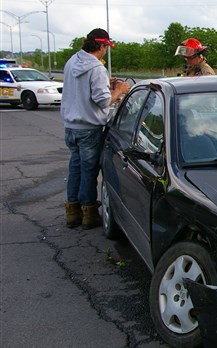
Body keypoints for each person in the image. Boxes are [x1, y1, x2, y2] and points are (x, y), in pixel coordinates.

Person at [61, 28, 130, 229]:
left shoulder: (72, 61)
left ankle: (72, 212)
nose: (105, 52)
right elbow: (103, 102)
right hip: (89, 128)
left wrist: (105, 83)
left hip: (71, 126)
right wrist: (119, 90)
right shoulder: (97, 69)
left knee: (75, 167)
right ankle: (89, 213)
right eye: (105, 48)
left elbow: (80, 88)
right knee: (89, 171)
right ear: (101, 46)